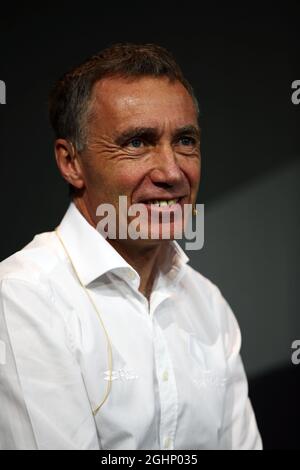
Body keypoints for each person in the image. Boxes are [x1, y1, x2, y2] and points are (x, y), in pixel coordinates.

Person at [0, 43, 262, 450]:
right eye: (138, 142)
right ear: (72, 163)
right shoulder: (21, 298)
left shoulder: (209, 305)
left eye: (186, 141)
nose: (172, 171)